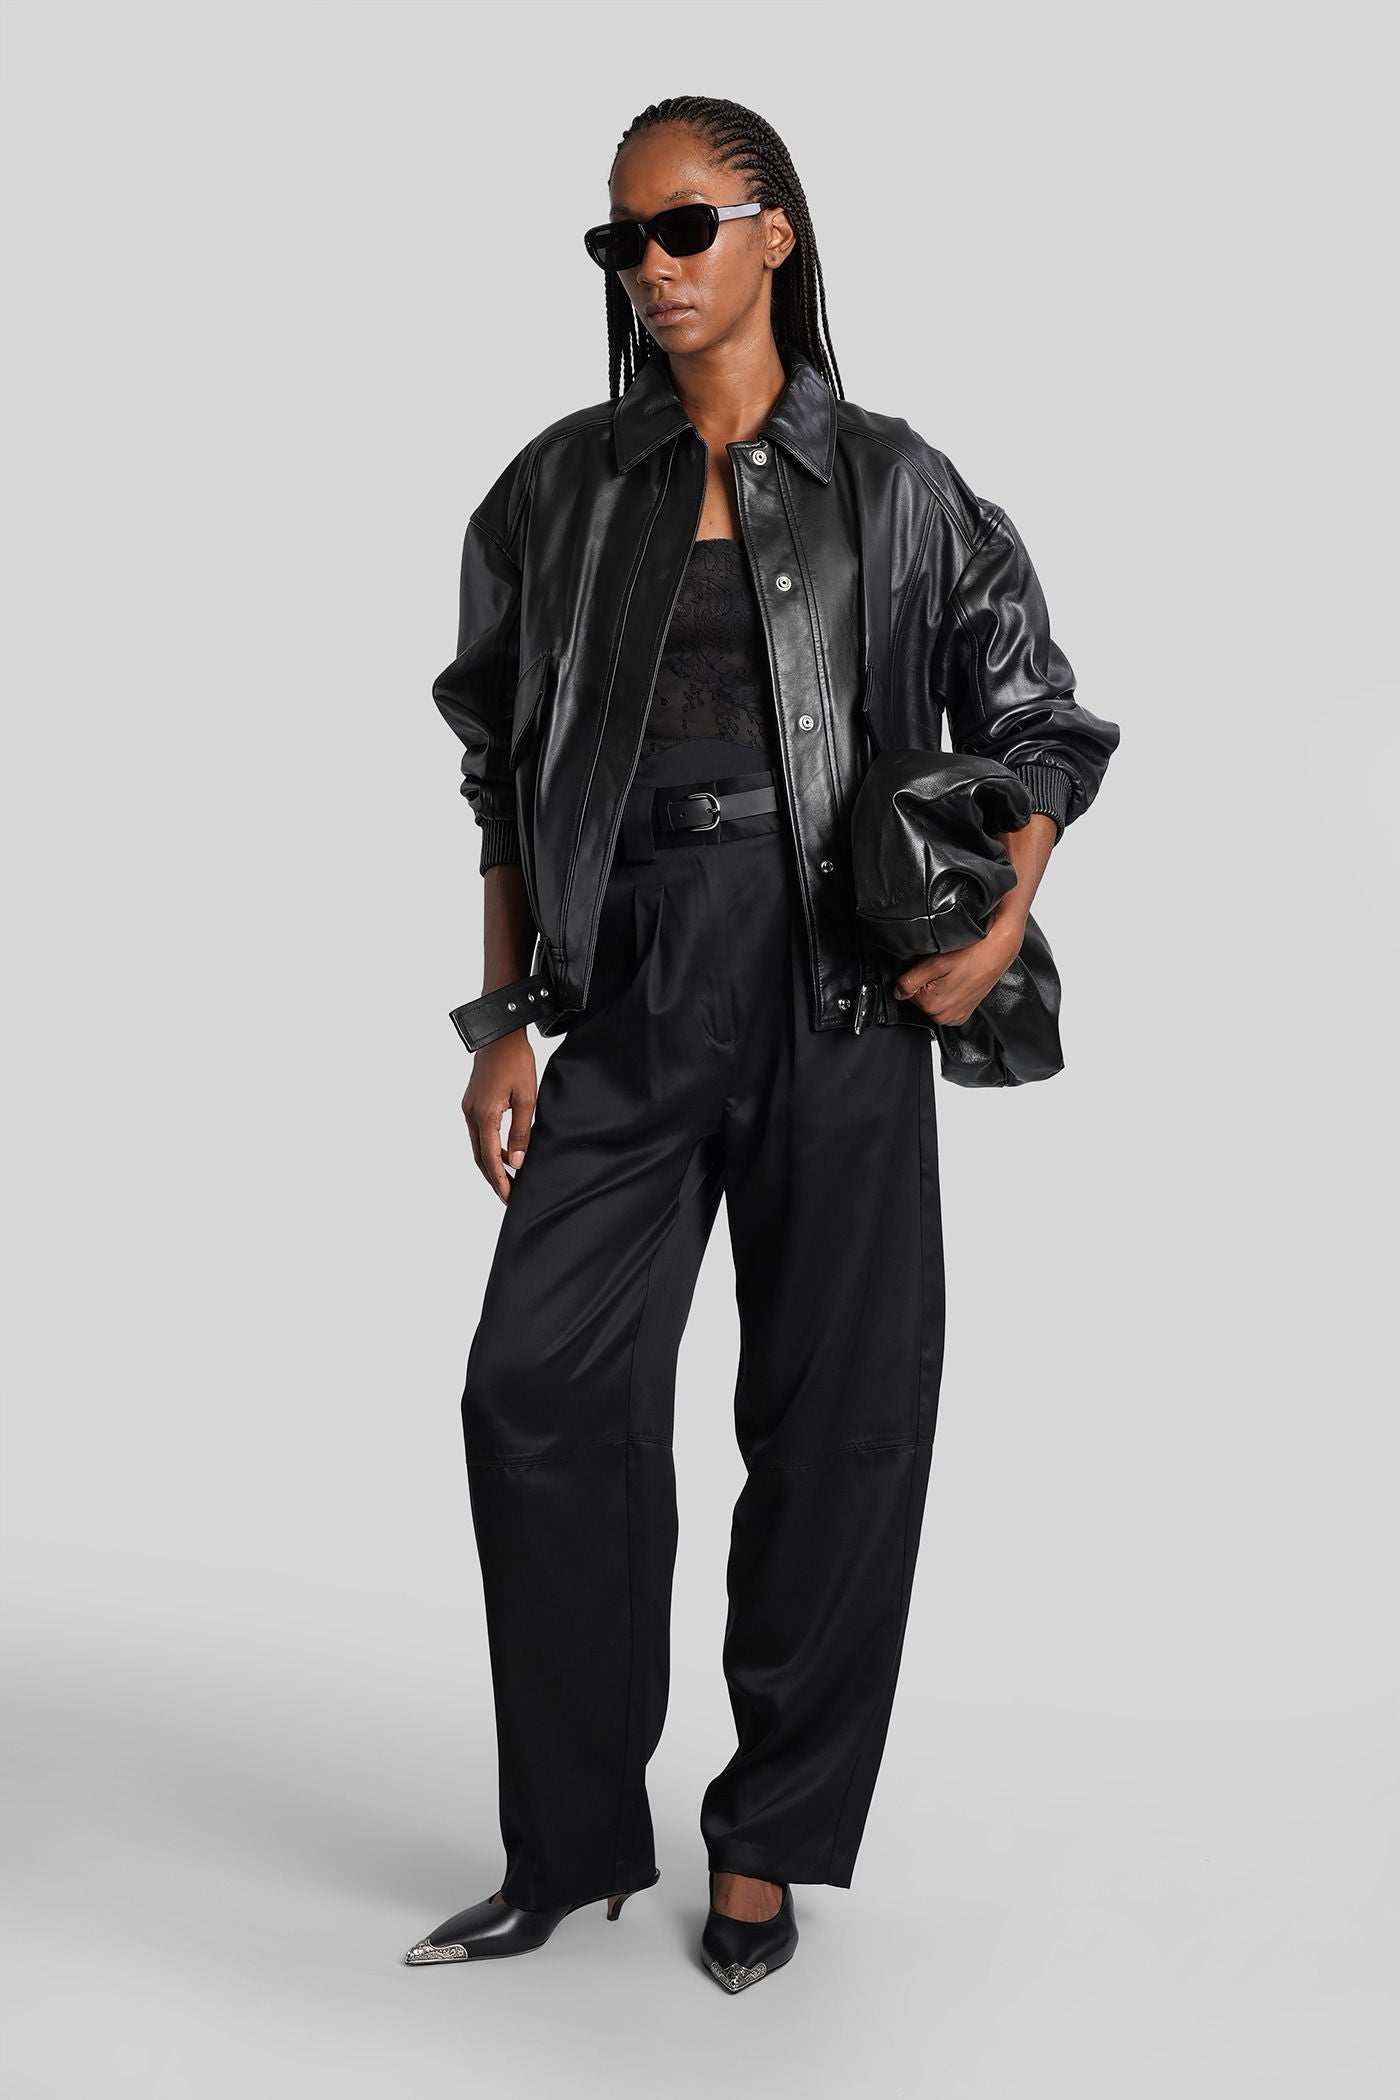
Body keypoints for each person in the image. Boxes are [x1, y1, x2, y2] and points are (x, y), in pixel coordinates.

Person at [405, 95, 1119, 1994]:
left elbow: (1042, 723)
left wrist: (1002, 919)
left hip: (838, 989)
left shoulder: (896, 481)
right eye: (619, 239)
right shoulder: (558, 487)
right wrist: (505, 1019)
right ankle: (568, 1841)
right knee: (533, 1393)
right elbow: (499, 770)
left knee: (838, 1424)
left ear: (775, 234)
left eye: (683, 228)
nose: (649, 267)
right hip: (635, 984)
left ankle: (765, 1850)